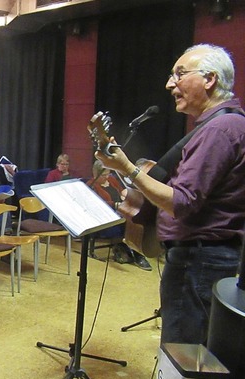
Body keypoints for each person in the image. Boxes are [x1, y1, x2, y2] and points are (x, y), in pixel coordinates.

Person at [96, 44, 245, 344]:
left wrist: (127, 167)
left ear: (209, 79)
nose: (169, 84)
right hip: (204, 257)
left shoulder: (220, 130)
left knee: (183, 350)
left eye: (179, 74)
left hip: (199, 261)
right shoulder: (223, 125)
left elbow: (182, 202)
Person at [87, 161, 152, 271]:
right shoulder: (91, 185)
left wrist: (127, 196)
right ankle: (137, 254)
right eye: (104, 175)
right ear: (95, 173)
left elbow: (122, 192)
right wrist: (115, 204)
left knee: (138, 215)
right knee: (133, 219)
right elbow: (97, 204)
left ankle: (135, 248)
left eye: (108, 173)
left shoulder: (111, 180)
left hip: (121, 211)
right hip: (106, 216)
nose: (107, 177)